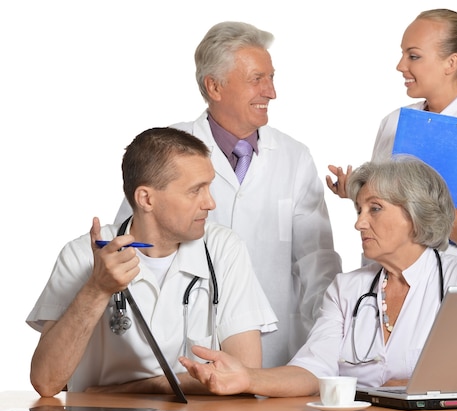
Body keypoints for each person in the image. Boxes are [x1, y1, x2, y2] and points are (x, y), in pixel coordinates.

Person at [114, 21, 342, 368]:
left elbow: (318, 264)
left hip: (275, 352)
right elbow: (132, 244)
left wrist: (325, 349)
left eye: (271, 78)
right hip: (183, 352)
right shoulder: (166, 149)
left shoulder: (294, 157)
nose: (271, 92)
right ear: (214, 86)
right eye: (257, 79)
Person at [178, 157, 457, 396]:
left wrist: (419, 385)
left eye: (374, 209)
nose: (359, 223)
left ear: (416, 215)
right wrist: (248, 378)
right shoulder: (348, 289)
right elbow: (313, 370)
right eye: (359, 210)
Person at [27, 127, 278, 397]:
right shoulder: (82, 255)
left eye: (209, 187)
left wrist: (147, 386)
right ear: (146, 198)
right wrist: (97, 289)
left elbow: (245, 376)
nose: (211, 203)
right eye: (195, 191)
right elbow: (46, 382)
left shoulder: (224, 250)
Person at [327, 8, 457, 260]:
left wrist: (414, 207)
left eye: (413, 56)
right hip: (385, 275)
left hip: (444, 275)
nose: (400, 65)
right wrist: (359, 192)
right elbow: (379, 213)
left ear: (451, 62)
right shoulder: (393, 122)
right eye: (403, 54)